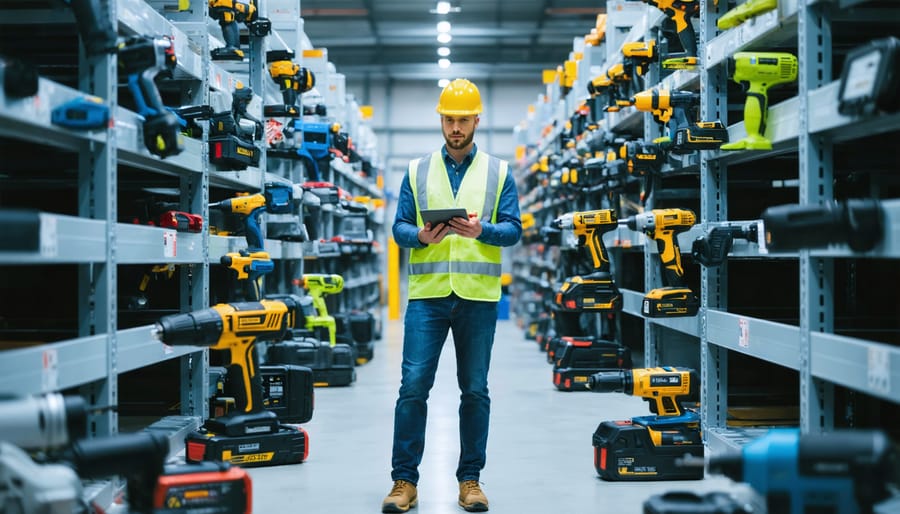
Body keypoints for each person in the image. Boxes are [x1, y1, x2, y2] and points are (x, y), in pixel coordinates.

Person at [382, 78, 522, 513]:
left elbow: (514, 229)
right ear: (440, 120)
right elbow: (399, 227)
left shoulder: (499, 173)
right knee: (412, 388)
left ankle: (471, 481)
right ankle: (404, 481)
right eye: (449, 119)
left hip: (478, 298)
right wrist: (421, 236)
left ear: (477, 120)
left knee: (475, 391)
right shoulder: (417, 169)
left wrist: (485, 231)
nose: (455, 127)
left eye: (463, 120)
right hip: (428, 296)